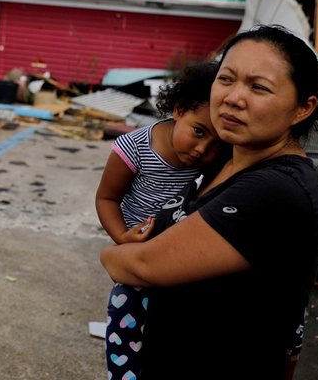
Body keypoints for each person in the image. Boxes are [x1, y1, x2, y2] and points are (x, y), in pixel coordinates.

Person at [100, 25, 318, 379]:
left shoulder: (276, 189)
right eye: (226, 79)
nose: (234, 98)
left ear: (302, 108)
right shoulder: (224, 159)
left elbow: (140, 266)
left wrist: (111, 255)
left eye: (258, 87)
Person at [95, 61, 224, 378]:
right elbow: (106, 199)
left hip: (182, 261)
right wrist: (122, 238)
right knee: (128, 322)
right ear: (179, 109)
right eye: (198, 131)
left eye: (216, 144)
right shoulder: (134, 148)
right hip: (138, 256)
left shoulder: (214, 163)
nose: (202, 149)